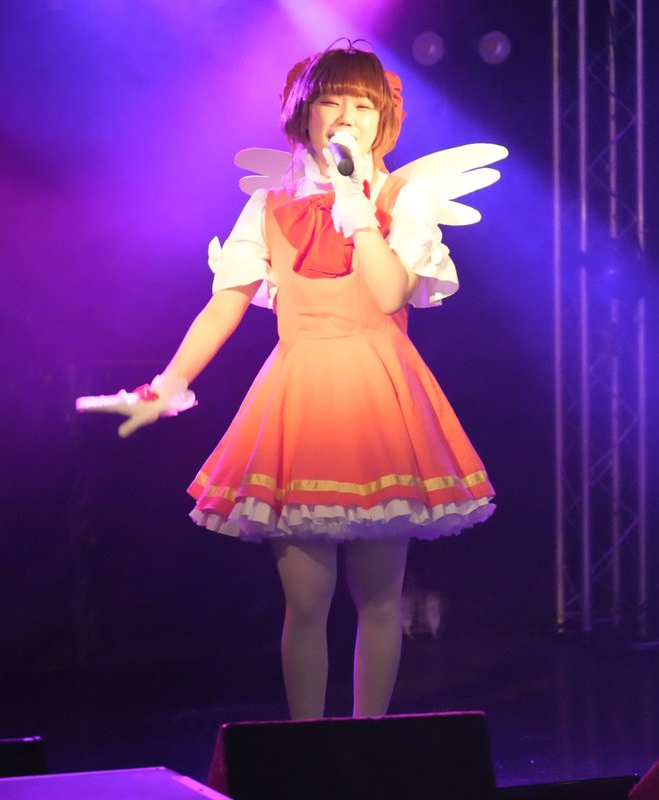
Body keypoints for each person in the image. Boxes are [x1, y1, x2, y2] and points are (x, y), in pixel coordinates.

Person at [105, 44, 495, 719]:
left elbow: (389, 293)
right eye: (332, 102)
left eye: (363, 105)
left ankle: (368, 744)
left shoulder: (401, 199)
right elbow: (223, 306)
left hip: (379, 394)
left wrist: (354, 204)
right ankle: (307, 749)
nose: (347, 117)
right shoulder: (268, 207)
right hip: (301, 394)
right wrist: (166, 385)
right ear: (303, 115)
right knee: (306, 600)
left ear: (383, 120)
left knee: (379, 597)